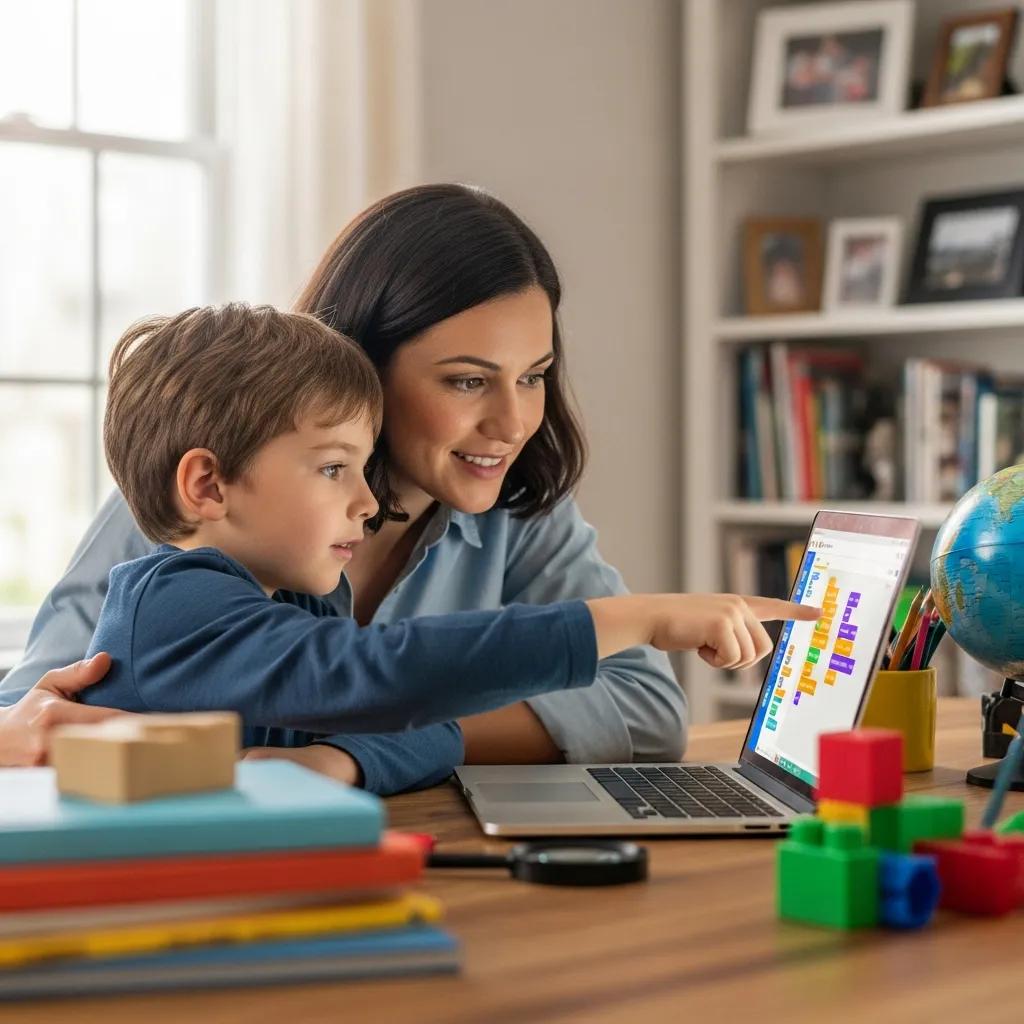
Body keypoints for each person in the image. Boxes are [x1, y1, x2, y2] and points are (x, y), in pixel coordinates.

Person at [0, 184, 805, 778]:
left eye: (534, 376)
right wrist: (634, 616)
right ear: (359, 371)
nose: (514, 423)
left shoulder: (516, 505)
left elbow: (646, 709)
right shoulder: (203, 517)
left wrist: (357, 754)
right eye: (466, 381)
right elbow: (367, 675)